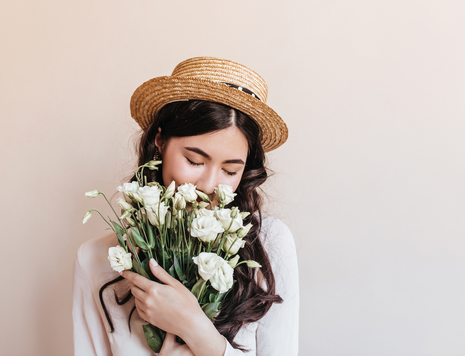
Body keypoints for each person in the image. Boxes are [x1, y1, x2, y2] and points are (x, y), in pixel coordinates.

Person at [73, 57, 299, 356]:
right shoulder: (97, 259)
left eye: (230, 171)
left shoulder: (268, 244)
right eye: (194, 161)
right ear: (159, 144)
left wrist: (195, 328)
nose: (208, 184)